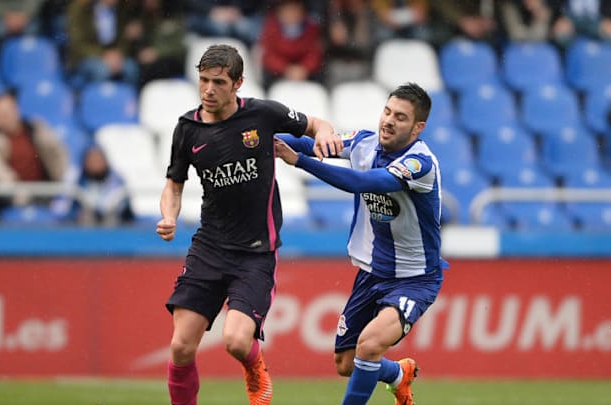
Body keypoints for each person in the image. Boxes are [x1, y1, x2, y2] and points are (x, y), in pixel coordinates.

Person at [155, 44, 342, 405]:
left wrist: (323, 133)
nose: (209, 89)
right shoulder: (187, 129)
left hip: (255, 254)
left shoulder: (263, 114)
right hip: (209, 247)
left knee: (236, 342)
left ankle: (256, 368)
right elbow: (173, 185)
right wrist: (169, 215)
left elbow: (317, 123)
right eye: (204, 80)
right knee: (180, 347)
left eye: (219, 82)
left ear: (238, 83)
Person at [274, 82, 447, 405]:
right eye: (387, 112)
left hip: (414, 279)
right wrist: (256, 137)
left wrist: (298, 161)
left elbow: (363, 182)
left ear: (417, 127)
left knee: (368, 346)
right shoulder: (364, 142)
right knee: (345, 362)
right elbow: (312, 142)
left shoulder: (419, 163)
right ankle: (397, 374)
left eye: (400, 117)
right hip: (373, 272)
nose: (389, 121)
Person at [0, 91, 69, 215]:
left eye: (7, 112)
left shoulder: (35, 128)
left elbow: (58, 155)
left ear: (16, 110)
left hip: (44, 191)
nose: (4, 117)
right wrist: (19, 192)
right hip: (10, 196)